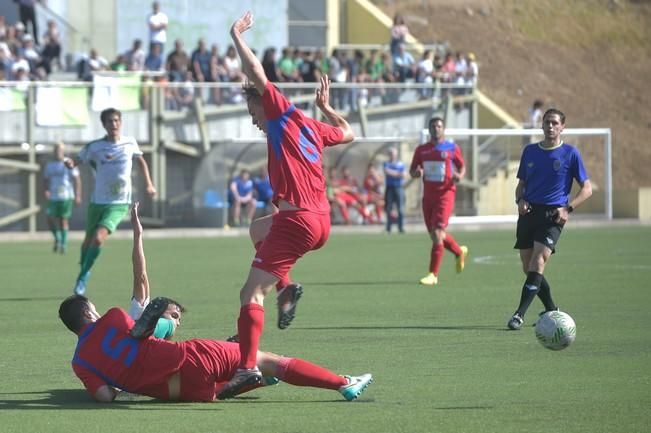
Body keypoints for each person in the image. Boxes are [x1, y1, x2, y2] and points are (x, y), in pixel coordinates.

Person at [58, 203, 372, 403]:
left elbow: (105, 396)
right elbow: (141, 282)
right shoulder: (113, 318)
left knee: (219, 386)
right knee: (265, 358)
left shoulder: (80, 363)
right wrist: (139, 236)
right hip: (190, 358)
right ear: (89, 311)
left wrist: (119, 381)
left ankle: (255, 378)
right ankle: (342, 383)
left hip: (173, 393)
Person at [219, 11, 355, 399]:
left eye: (252, 112)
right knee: (258, 229)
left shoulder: (280, 114)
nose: (254, 121)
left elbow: (256, 72)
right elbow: (348, 132)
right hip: (319, 220)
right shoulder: (313, 126)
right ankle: (288, 286)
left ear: (265, 105)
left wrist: (236, 36)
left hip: (299, 221)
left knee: (249, 295)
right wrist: (327, 109)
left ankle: (246, 369)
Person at [507, 109, 592, 330]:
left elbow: (587, 189)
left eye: (554, 123)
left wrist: (568, 209)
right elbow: (520, 186)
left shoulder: (570, 154)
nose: (550, 127)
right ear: (542, 125)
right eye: (547, 123)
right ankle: (552, 309)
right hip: (528, 214)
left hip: (552, 216)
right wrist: (520, 201)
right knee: (529, 268)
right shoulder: (530, 152)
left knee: (539, 261)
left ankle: (519, 315)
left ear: (562, 126)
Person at [64, 108, 156, 296]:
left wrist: (149, 184)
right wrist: (70, 163)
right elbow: (78, 160)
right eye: (109, 121)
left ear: (120, 122)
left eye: (116, 120)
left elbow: (141, 162)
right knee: (87, 242)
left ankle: (82, 276)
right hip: (98, 201)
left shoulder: (130, 143)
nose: (113, 124)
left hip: (119, 202)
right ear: (104, 125)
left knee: (98, 238)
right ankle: (85, 267)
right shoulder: (95, 146)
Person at [410, 117, 468, 286]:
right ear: (429, 129)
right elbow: (412, 170)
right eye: (433, 126)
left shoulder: (451, 147)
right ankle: (459, 252)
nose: (436, 128)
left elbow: (462, 166)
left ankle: (432, 275)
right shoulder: (422, 150)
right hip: (428, 197)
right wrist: (417, 173)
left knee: (437, 234)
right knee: (436, 235)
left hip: (445, 194)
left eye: (439, 126)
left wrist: (460, 175)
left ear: (444, 129)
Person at [43, 142, 81, 254]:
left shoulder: (68, 163)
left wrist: (78, 195)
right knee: (49, 218)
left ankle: (63, 244)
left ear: (63, 151)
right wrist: (46, 190)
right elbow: (45, 179)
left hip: (66, 196)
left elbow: (77, 179)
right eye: (56, 150)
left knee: (63, 220)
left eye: (60, 150)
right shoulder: (50, 165)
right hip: (53, 197)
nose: (58, 152)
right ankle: (57, 237)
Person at [383, 147, 406, 233]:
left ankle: (401, 227)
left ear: (396, 155)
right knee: (389, 208)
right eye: (391, 154)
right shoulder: (386, 163)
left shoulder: (401, 164)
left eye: (394, 154)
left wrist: (393, 173)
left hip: (399, 188)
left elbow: (404, 174)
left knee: (400, 208)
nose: (392, 155)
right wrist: (398, 173)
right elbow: (386, 171)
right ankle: (388, 228)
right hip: (390, 188)